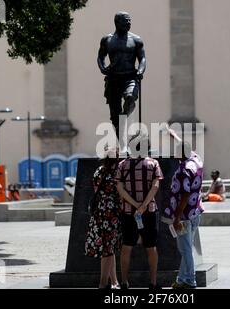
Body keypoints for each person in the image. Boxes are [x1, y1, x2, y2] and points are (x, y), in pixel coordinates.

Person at [115, 136, 163, 289]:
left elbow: (119, 188)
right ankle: (153, 282)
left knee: (126, 246)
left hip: (128, 212)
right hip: (148, 211)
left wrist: (135, 204)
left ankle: (124, 282)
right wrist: (143, 206)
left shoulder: (122, 165)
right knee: (151, 247)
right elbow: (155, 186)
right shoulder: (153, 163)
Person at [97, 12, 146, 140]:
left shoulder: (136, 40)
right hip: (113, 78)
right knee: (114, 116)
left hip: (130, 77)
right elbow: (101, 56)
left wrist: (141, 70)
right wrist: (102, 68)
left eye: (130, 20)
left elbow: (142, 59)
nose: (129, 23)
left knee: (130, 97)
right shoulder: (107, 40)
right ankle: (122, 144)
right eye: (125, 21)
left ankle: (123, 117)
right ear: (117, 22)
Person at [85, 147, 122, 289]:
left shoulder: (99, 171)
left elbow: (96, 189)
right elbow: (119, 192)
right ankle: (103, 283)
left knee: (108, 247)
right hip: (112, 213)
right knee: (108, 249)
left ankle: (114, 282)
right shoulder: (117, 172)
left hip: (99, 212)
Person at [169, 141, 204, 289]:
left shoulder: (184, 170)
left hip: (184, 216)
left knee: (185, 249)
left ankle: (190, 280)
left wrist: (177, 217)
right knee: (187, 248)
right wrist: (174, 136)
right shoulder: (196, 160)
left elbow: (184, 194)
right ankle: (181, 279)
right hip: (195, 212)